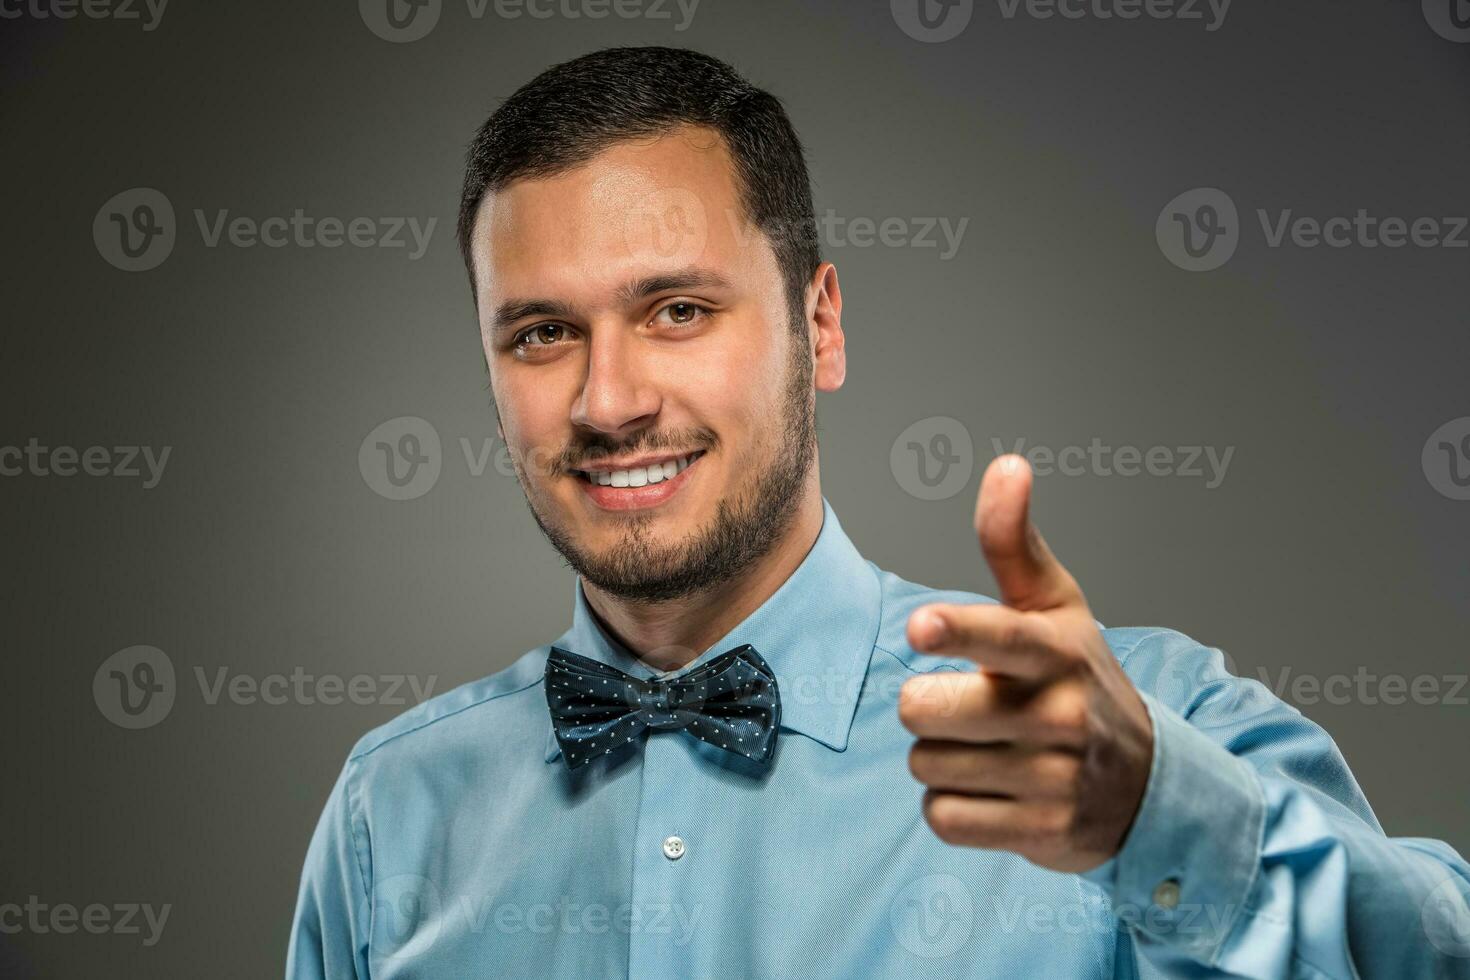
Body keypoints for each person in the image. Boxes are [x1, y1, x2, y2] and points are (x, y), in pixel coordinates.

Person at [287, 46, 1470, 978]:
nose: (610, 400)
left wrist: (1161, 818)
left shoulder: (1126, 730)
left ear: (821, 325)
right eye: (543, 333)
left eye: (680, 310)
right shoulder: (387, 813)